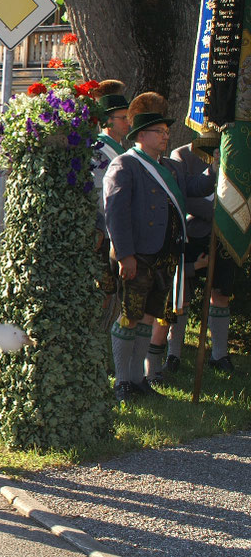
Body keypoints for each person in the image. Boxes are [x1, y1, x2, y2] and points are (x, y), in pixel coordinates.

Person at [104, 104, 215, 403]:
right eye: (159, 132)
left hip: (166, 254)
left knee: (149, 318)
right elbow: (115, 213)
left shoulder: (173, 167)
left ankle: (139, 379)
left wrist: (217, 164)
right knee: (129, 316)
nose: (166, 136)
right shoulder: (126, 165)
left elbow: (198, 185)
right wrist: (125, 254)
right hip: (138, 254)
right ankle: (122, 381)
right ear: (141, 135)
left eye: (167, 132)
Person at [169, 135, 235, 374]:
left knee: (221, 293)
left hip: (224, 236)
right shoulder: (182, 155)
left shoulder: (234, 153)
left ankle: (219, 355)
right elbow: (184, 197)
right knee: (181, 295)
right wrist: (216, 214)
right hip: (192, 233)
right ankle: (173, 354)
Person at [91, 82, 131, 333]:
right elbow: (98, 192)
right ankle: (97, 333)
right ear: (108, 120)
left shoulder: (121, 149)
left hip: (118, 227)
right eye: (123, 118)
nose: (128, 122)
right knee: (105, 287)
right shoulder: (98, 148)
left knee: (114, 287)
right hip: (104, 228)